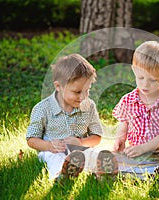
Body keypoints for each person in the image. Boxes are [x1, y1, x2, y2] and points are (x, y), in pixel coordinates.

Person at [26, 53, 118, 182]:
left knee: (92, 154)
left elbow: (96, 136)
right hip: (52, 151)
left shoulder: (89, 106)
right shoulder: (42, 108)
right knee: (55, 158)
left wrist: (81, 143)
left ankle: (103, 173)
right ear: (58, 86)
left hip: (80, 150)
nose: (83, 97)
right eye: (77, 92)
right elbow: (31, 139)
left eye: (87, 90)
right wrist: (49, 145)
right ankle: (61, 175)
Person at [112, 41, 159, 181]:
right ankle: (139, 175)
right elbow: (123, 124)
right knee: (116, 159)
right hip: (137, 150)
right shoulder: (128, 100)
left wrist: (145, 148)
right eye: (141, 78)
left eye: (153, 80)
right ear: (134, 70)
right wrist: (120, 139)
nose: (145, 84)